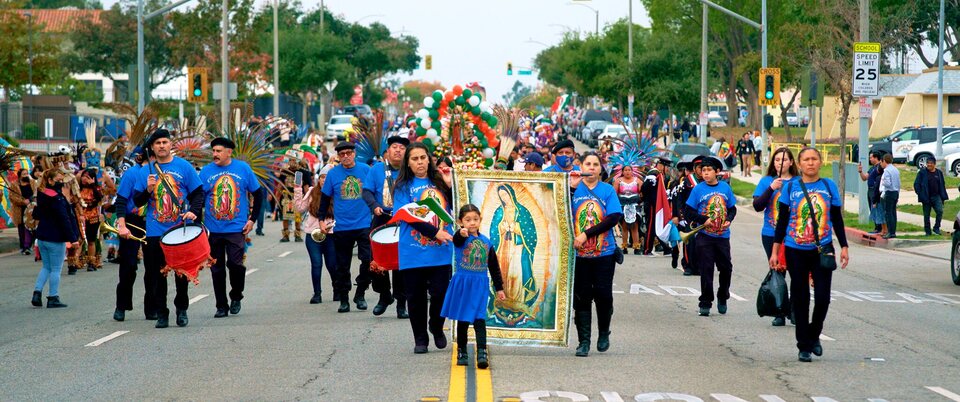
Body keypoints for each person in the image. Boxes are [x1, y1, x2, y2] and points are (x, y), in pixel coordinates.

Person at [770, 147, 849, 362]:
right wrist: (776, 251)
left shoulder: (828, 186)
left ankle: (814, 335)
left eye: (814, 159)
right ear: (800, 163)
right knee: (801, 297)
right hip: (796, 249)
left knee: (823, 298)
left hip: (823, 249)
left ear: (820, 162)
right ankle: (803, 345)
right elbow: (783, 221)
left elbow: (837, 219)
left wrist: (844, 246)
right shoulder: (791, 187)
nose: (811, 163)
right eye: (806, 159)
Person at [129, 129, 204, 328]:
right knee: (157, 275)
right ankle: (162, 313)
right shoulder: (146, 171)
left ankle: (182, 310)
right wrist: (148, 190)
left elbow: (198, 194)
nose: (162, 145)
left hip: (179, 229)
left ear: (170, 144)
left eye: (165, 142)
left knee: (181, 273)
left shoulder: (184, 166)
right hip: (155, 231)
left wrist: (193, 212)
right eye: (157, 143)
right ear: (152, 148)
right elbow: (136, 200)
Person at [392, 142, 454, 354]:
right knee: (415, 298)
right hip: (412, 251)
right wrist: (434, 232)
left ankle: (436, 326)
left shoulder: (441, 183)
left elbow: (456, 208)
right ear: (408, 164)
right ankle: (420, 339)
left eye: (422, 158)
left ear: (429, 159)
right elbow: (406, 215)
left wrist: (450, 186)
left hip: (441, 251)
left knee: (441, 294)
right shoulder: (401, 187)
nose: (419, 162)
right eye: (414, 159)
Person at [200, 137, 264, 318]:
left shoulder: (243, 169)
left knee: (235, 264)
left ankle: (236, 295)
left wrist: (252, 220)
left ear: (229, 152)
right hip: (213, 229)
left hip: (236, 228)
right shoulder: (206, 172)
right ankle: (221, 305)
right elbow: (197, 197)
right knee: (216, 268)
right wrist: (197, 222)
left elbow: (258, 194)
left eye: (219, 151)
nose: (215, 154)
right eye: (213, 151)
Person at [441, 204, 506, 369]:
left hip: (479, 285)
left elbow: (494, 267)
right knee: (463, 318)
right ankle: (462, 350)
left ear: (480, 220)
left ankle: (482, 352)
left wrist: (499, 288)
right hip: (463, 284)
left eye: (475, 219)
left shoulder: (486, 242)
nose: (472, 223)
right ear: (461, 222)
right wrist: (461, 234)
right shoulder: (460, 238)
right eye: (468, 220)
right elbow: (457, 239)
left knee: (479, 318)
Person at [570, 152, 622, 357]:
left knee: (603, 295)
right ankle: (583, 342)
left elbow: (613, 217)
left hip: (604, 254)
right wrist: (571, 188)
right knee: (581, 298)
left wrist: (587, 234)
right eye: (587, 164)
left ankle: (603, 333)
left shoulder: (607, 190)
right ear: (581, 166)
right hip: (579, 256)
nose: (591, 167)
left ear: (600, 169)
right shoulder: (573, 189)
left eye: (595, 164)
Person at [318, 142, 373, 313]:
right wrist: (321, 219)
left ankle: (361, 293)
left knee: (368, 260)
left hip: (364, 223)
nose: (346, 156)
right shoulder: (333, 174)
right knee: (342, 265)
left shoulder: (365, 170)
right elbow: (325, 199)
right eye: (342, 154)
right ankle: (344, 298)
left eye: (349, 153)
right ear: (338, 157)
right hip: (342, 226)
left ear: (354, 153)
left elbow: (374, 192)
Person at [362, 136, 410, 318]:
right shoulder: (377, 170)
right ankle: (384, 295)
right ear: (387, 152)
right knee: (376, 262)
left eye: (402, 148)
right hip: (381, 217)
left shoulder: (410, 171)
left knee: (401, 264)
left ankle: (401, 304)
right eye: (394, 147)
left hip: (403, 220)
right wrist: (374, 205)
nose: (398, 150)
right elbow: (366, 191)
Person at [684, 157, 737, 317]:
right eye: (703, 171)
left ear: (717, 172)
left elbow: (732, 209)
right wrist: (703, 220)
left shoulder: (725, 188)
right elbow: (689, 211)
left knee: (726, 268)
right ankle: (705, 302)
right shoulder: (698, 189)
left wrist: (728, 220)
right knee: (706, 269)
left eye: (709, 171)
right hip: (704, 236)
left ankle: (723, 296)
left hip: (722, 236)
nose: (705, 173)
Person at [752, 147, 798, 327]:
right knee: (778, 271)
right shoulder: (767, 181)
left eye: (785, 160)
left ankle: (795, 310)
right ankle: (779, 310)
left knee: (797, 273)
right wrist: (772, 188)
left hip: (794, 235)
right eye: (777, 160)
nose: (781, 163)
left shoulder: (798, 182)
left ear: (791, 162)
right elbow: (757, 205)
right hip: (771, 234)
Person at [31, 169, 80, 308]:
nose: (61, 183)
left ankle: (37, 292)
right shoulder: (57, 198)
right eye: (58, 180)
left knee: (46, 267)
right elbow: (64, 218)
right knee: (56, 269)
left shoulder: (42, 194)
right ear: (50, 180)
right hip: (55, 237)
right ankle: (53, 296)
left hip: (42, 236)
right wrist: (73, 238)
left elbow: (37, 214)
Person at [112, 149, 151, 321]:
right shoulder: (132, 173)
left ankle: (152, 308)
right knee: (128, 267)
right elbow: (121, 200)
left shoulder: (160, 173)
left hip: (153, 223)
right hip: (132, 222)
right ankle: (121, 305)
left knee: (153, 267)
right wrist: (122, 224)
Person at [296, 164, 337, 304]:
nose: (324, 180)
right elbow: (300, 208)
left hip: (331, 234)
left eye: (327, 177)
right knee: (316, 263)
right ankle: (317, 293)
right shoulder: (313, 192)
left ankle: (337, 289)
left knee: (332, 264)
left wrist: (331, 224)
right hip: (313, 235)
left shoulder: (336, 192)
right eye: (322, 177)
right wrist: (297, 189)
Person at [78, 168, 105, 271]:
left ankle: (91, 263)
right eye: (83, 176)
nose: (84, 179)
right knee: (79, 239)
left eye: (87, 177)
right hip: (80, 216)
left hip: (93, 217)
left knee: (91, 240)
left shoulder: (96, 188)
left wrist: (93, 185)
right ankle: (77, 261)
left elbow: (100, 198)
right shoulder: (79, 188)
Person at [914, 156, 949, 236]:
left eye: (931, 163)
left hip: (936, 196)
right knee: (927, 215)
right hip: (926, 197)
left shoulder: (939, 173)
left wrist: (943, 196)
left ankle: (936, 228)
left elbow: (942, 185)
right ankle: (927, 231)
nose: (929, 165)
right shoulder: (922, 173)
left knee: (940, 211)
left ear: (934, 164)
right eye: (928, 163)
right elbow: (916, 184)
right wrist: (920, 194)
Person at [613, 165, 641, 254]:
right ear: (622, 171)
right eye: (625, 170)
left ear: (632, 171)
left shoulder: (638, 181)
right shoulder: (618, 181)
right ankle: (624, 246)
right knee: (624, 227)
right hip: (623, 205)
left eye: (629, 170)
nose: (627, 172)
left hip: (635, 206)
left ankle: (636, 246)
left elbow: (642, 193)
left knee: (635, 227)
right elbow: (614, 194)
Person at [857, 151, 885, 235]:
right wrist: (860, 171)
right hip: (870, 190)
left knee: (876, 208)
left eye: (871, 157)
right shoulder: (872, 168)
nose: (870, 159)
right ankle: (876, 226)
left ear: (876, 158)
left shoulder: (880, 168)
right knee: (872, 208)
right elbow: (865, 178)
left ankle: (880, 227)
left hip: (875, 190)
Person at [10, 168, 35, 255]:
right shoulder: (14, 185)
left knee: (30, 227)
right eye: (24, 174)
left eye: (27, 174)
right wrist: (22, 201)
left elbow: (36, 193)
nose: (26, 175)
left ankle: (28, 245)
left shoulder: (32, 183)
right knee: (22, 229)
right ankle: (24, 247)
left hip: (31, 208)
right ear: (20, 176)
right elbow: (12, 197)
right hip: (20, 209)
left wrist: (32, 200)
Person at [879, 154, 900, 239]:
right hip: (895, 192)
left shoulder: (887, 171)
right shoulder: (896, 170)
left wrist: (883, 181)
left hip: (889, 192)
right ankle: (893, 231)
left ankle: (890, 232)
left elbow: (887, 183)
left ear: (884, 161)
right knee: (893, 212)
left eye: (882, 162)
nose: (881, 164)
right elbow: (898, 183)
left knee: (888, 213)